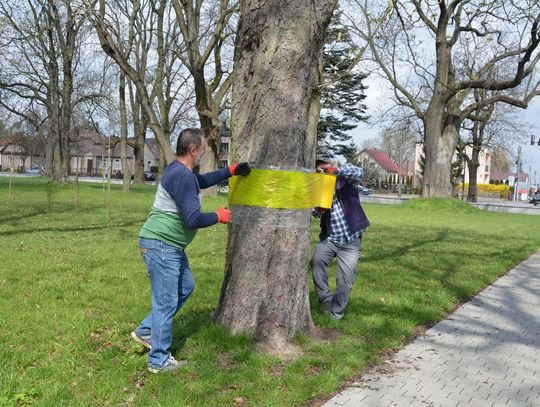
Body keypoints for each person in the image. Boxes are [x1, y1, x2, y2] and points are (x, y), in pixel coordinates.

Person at [131, 128, 251, 373]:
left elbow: (203, 180)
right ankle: (159, 361)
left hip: (169, 245)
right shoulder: (182, 176)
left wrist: (230, 170)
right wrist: (219, 216)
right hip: (161, 244)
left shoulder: (180, 172)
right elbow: (192, 219)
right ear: (193, 150)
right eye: (203, 148)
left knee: (185, 287)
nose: (205, 151)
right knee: (165, 303)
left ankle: (146, 330)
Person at [311, 158, 370, 320]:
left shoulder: (345, 179)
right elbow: (315, 214)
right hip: (330, 238)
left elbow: (359, 172)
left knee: (345, 279)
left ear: (330, 166)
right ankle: (325, 299)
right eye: (318, 171)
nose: (321, 172)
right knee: (317, 260)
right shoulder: (319, 188)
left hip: (350, 240)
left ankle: (336, 313)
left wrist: (337, 171)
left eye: (324, 169)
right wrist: (318, 208)